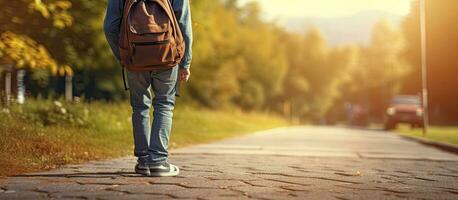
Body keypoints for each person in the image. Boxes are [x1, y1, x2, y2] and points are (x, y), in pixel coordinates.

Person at [103, 0, 193, 177]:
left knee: (139, 107)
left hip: (134, 56)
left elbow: (110, 27)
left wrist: (123, 54)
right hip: (167, 54)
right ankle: (158, 161)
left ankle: (144, 161)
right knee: (164, 105)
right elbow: (183, 22)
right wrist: (185, 62)